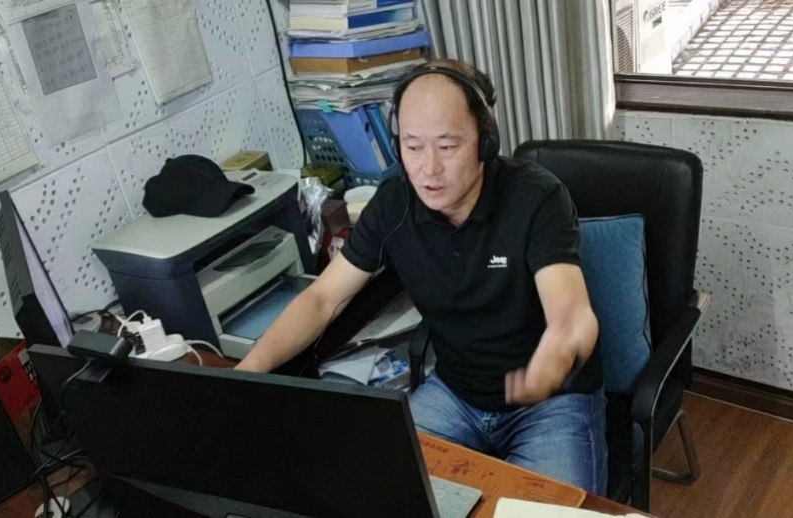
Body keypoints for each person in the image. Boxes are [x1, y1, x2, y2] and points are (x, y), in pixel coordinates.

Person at [236, 59, 606, 494]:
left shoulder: (537, 197)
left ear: (485, 142)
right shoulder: (394, 203)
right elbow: (322, 299)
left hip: (549, 403)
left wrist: (555, 356)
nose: (429, 169)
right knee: (372, 492)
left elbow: (572, 313)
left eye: (447, 146)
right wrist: (246, 373)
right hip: (456, 395)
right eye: (413, 147)